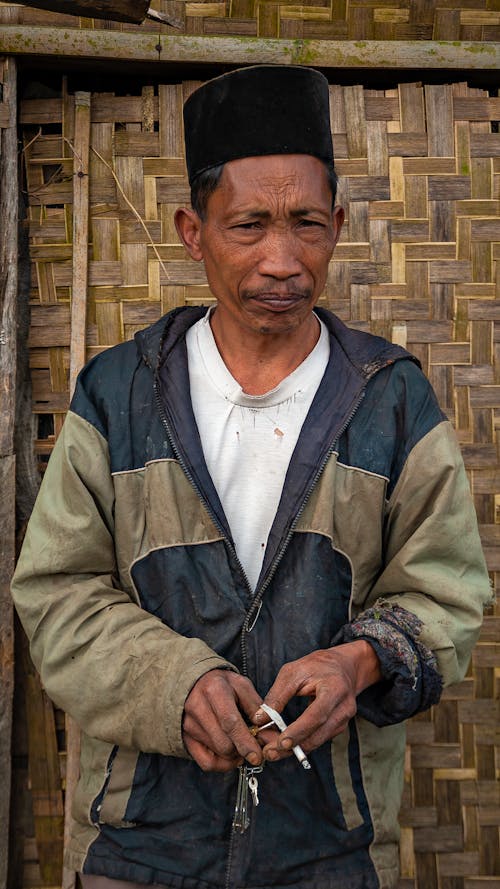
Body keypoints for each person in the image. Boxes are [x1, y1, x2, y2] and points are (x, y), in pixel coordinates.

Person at [12, 65, 491, 889]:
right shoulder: (116, 394)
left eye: (307, 223)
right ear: (193, 231)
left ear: (339, 224)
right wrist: (177, 682)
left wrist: (362, 662)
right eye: (249, 225)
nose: (283, 259)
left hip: (329, 853)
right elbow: (56, 596)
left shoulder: (393, 400)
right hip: (138, 850)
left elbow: (445, 593)